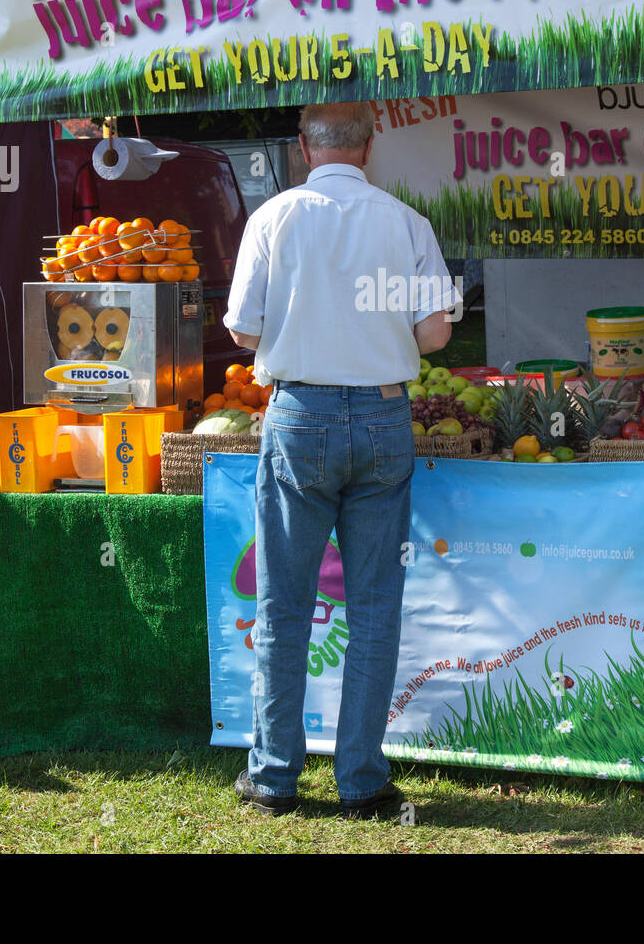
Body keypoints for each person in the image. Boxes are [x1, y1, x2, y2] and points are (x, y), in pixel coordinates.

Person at [223, 100, 458, 818]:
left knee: (283, 605)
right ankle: (360, 780)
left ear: (302, 148)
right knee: (375, 607)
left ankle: (273, 777)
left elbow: (241, 329)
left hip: (300, 415)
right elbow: (437, 335)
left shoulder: (273, 219)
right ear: (369, 146)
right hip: (384, 416)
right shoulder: (406, 221)